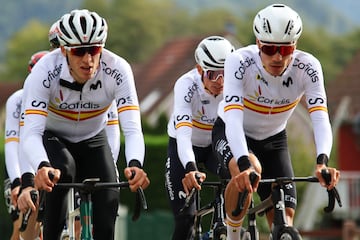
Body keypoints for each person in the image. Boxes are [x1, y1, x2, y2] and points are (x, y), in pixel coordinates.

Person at [17, 9, 149, 240]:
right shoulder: (44, 71)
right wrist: (42, 165)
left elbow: (132, 127)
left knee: (108, 203)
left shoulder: (118, 70)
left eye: (95, 50)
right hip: (54, 137)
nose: (88, 60)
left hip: (93, 138)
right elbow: (31, 132)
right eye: (79, 52)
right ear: (64, 50)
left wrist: (135, 163)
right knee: (63, 170)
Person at [211, 3, 340, 240]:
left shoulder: (308, 67)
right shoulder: (239, 62)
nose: (278, 57)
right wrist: (243, 162)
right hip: (233, 132)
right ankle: (232, 234)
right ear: (259, 43)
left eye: (286, 48)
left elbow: (320, 117)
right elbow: (233, 118)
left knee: (285, 216)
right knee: (250, 170)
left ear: (295, 45)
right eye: (270, 48)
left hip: (274, 140)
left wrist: (322, 162)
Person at [164, 36, 235, 240]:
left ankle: (221, 227)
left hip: (215, 146)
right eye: (212, 74)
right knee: (185, 220)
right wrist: (190, 168)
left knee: (235, 175)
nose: (220, 82)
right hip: (184, 147)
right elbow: (184, 135)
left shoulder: (235, 85)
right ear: (199, 69)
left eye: (225, 74)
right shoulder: (186, 85)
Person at [4, 50, 48, 240]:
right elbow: (13, 143)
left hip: (46, 163)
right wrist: (16, 181)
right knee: (21, 224)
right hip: (22, 165)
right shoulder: (17, 99)